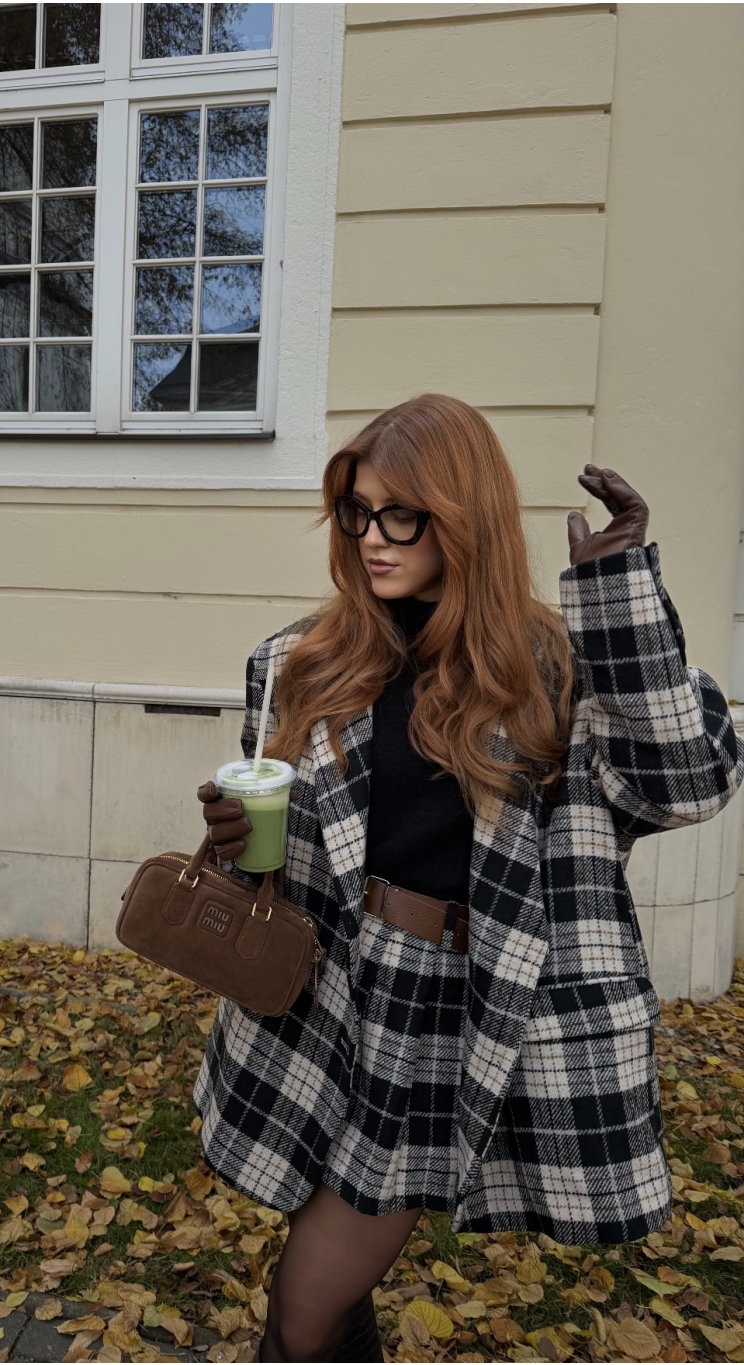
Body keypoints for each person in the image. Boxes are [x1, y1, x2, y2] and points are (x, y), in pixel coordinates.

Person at [190, 393, 744, 1363]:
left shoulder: (550, 669)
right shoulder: (301, 659)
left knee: (304, 1305)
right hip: (326, 988)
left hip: (454, 1005)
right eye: (358, 511)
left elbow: (688, 782)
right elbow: (285, 847)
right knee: (328, 1287)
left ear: (462, 516)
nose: (371, 537)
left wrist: (616, 593)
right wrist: (239, 840)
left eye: (401, 515)